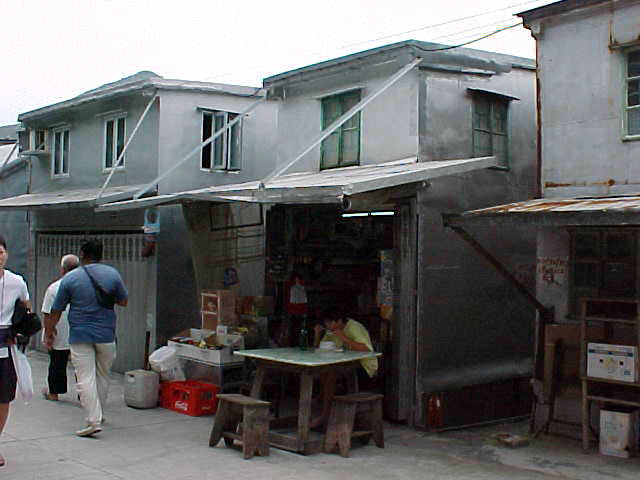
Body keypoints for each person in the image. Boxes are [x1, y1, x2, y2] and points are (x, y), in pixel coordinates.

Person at [45, 240, 128, 437]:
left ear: (82, 254)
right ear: (101, 254)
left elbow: (56, 310)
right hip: (107, 333)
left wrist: (50, 330)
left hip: (80, 335)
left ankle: (93, 420)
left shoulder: (71, 278)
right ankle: (98, 413)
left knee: (85, 377)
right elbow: (123, 301)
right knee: (103, 374)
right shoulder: (112, 274)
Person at [311, 308, 378, 428]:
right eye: (326, 323)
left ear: (339, 321)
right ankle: (324, 407)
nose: (328, 326)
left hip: (364, 367)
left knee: (331, 374)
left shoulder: (354, 327)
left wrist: (343, 338)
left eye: (330, 322)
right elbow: (318, 348)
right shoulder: (331, 331)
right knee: (323, 372)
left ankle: (325, 415)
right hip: (343, 365)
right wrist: (317, 334)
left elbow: (366, 349)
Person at [0, 235, 31, 467]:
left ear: (6, 254)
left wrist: (20, 332)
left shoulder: (16, 281)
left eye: (0, 252)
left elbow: (26, 309)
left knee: (3, 398)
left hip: (5, 347)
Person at [41, 254, 79, 401]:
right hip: (80, 332)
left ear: (62, 270)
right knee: (82, 365)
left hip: (59, 331)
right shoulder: (84, 286)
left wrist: (48, 333)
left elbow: (47, 313)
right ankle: (84, 394)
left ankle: (54, 393)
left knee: (57, 362)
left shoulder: (54, 288)